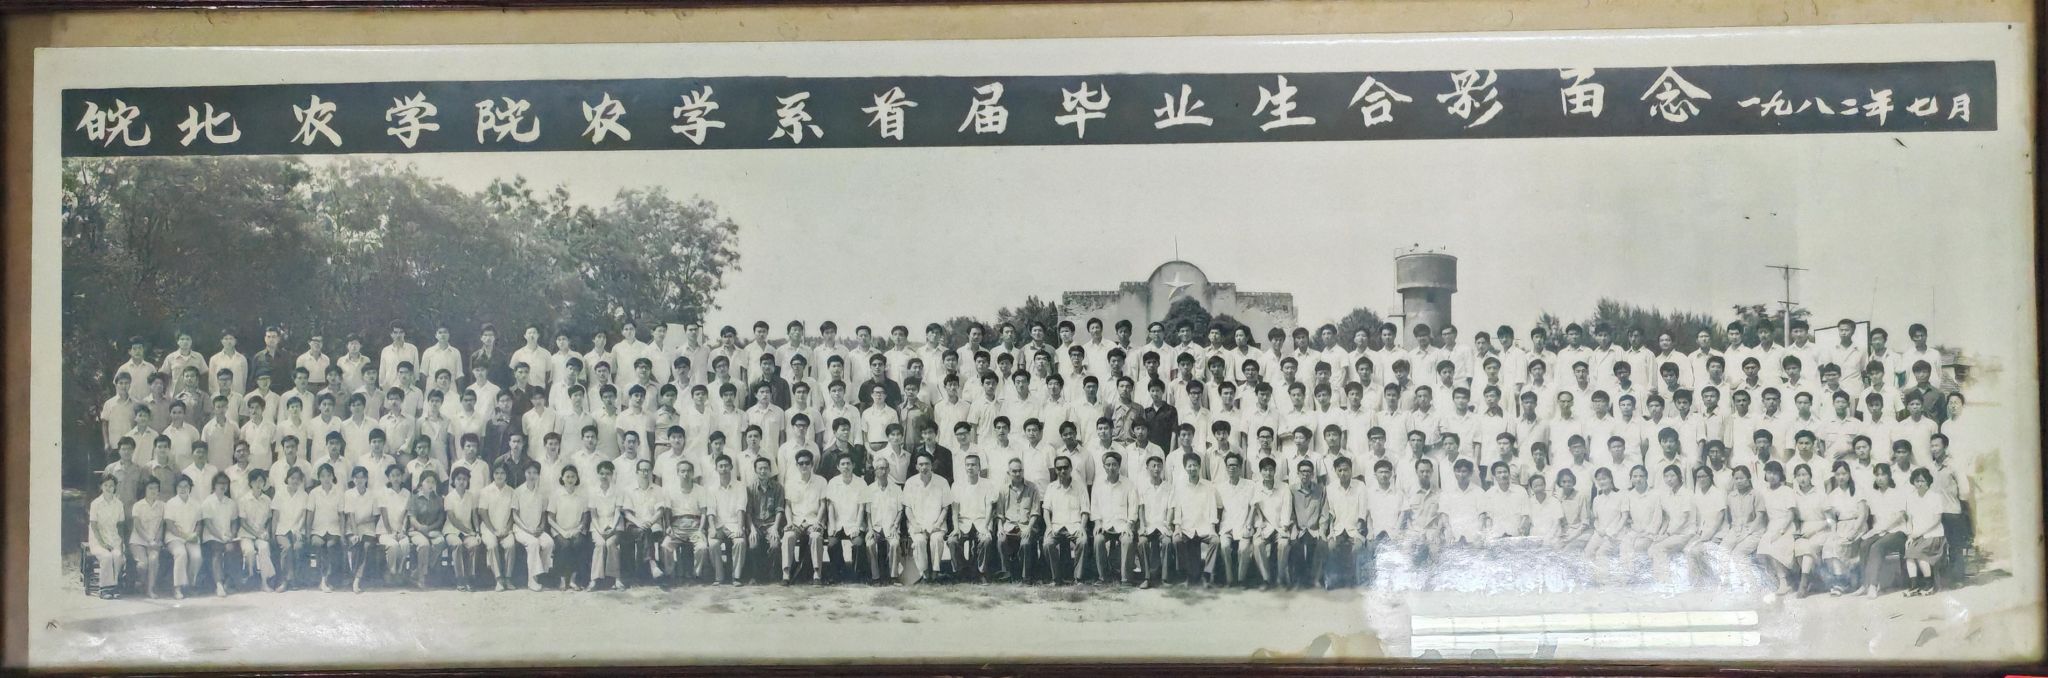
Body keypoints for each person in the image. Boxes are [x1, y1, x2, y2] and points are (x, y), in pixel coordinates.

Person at [1902, 467, 1947, 596]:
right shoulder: (1911, 498)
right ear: (1913, 482)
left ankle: (1929, 584)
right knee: (1909, 555)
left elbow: (1936, 520)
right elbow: (1909, 520)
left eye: (1923, 481)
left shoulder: (1935, 497)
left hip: (1933, 535)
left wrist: (1919, 533)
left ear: (1928, 482)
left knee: (1920, 555)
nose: (1920, 484)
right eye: (1917, 481)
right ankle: (1914, 586)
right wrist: (1910, 536)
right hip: (1917, 536)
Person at [404, 471, 448, 590]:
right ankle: (421, 578)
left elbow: (440, 519)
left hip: (432, 530)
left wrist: (430, 528)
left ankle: (418, 571)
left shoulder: (439, 499)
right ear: (421, 483)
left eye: (433, 482)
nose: (430, 484)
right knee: (424, 545)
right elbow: (412, 518)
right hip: (416, 531)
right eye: (427, 481)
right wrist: (421, 528)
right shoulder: (414, 498)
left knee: (440, 541)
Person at [86, 474, 127, 598]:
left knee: (117, 556)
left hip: (114, 538)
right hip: (98, 539)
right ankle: (104, 589)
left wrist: (121, 543)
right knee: (107, 556)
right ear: (101, 487)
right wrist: (102, 543)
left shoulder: (119, 504)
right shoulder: (96, 503)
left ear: (115, 487)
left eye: (111, 486)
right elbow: (94, 525)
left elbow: (120, 526)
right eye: (106, 485)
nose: (108, 488)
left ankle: (114, 587)